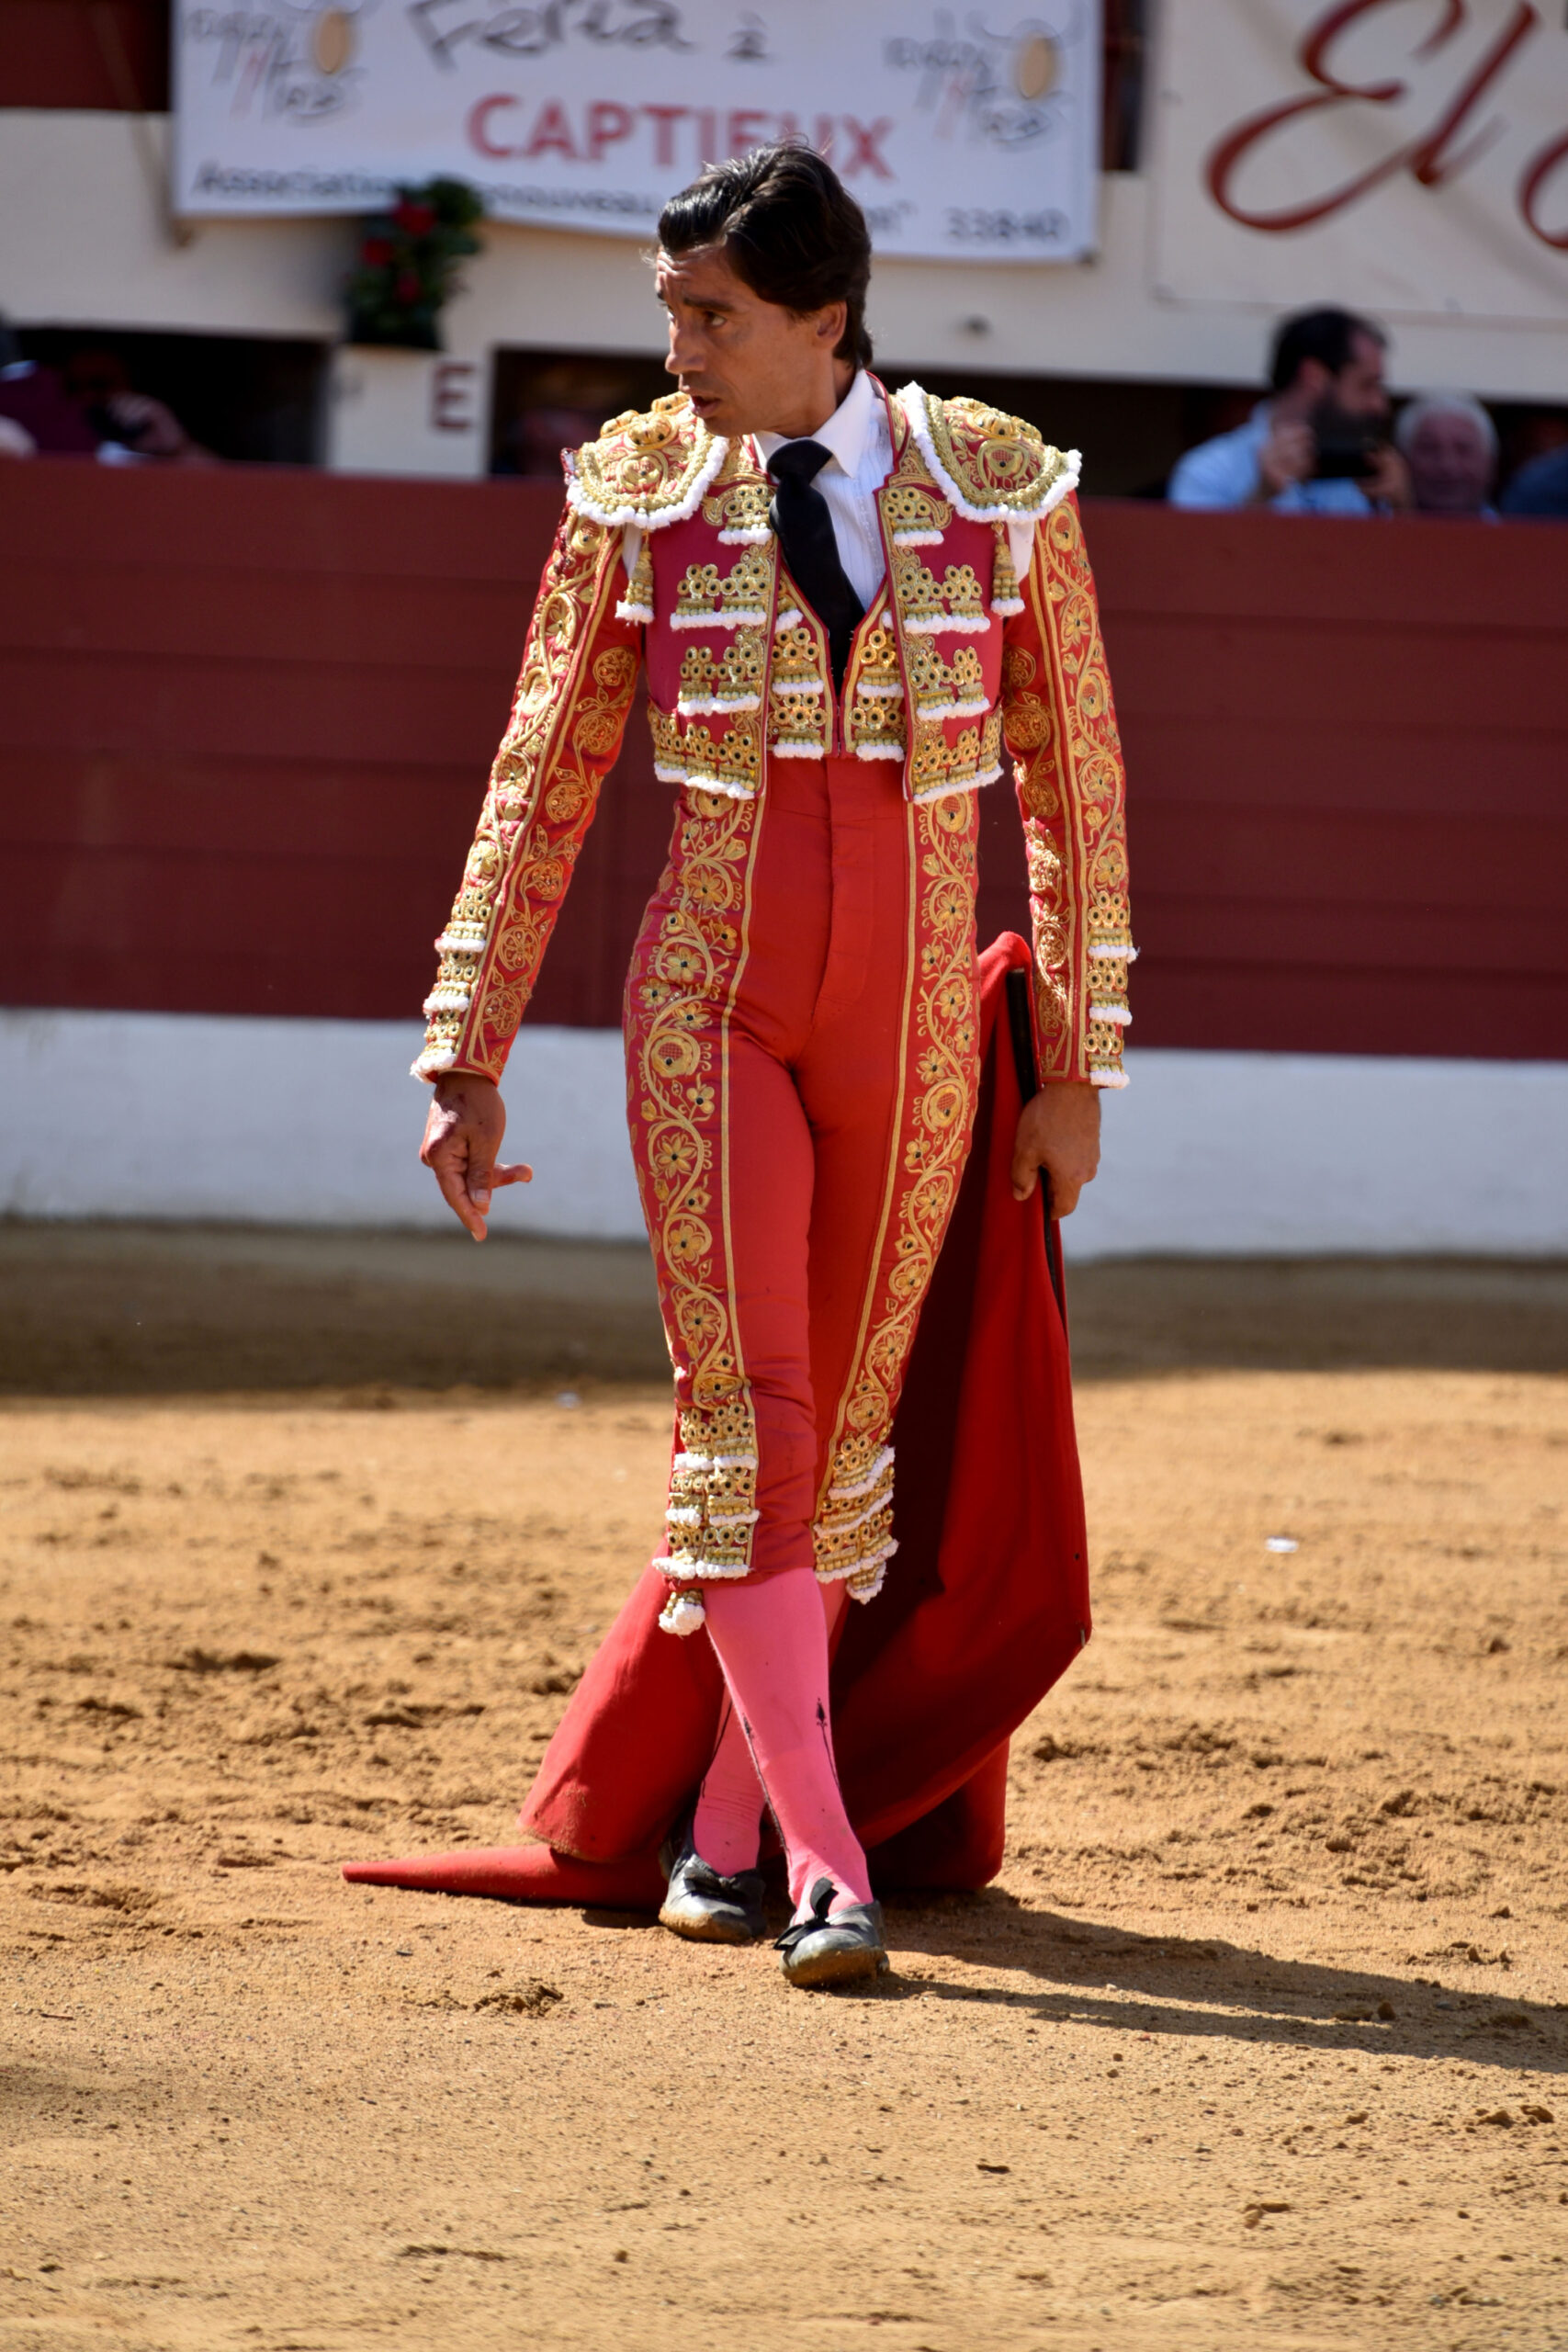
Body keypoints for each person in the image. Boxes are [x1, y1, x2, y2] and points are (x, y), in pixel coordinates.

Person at [344, 145, 1131, 1988]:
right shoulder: (633, 498)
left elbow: (1078, 786)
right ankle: (826, 1856)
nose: (674, 344)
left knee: (838, 1439)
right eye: (669, 310)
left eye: (709, 313)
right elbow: (541, 774)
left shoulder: (996, 489)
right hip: (712, 999)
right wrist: (463, 1044)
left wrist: (1076, 1058)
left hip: (925, 1020)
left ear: (821, 320)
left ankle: (715, 1826)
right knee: (743, 1413)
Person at [1169, 306, 1411, 515]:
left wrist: (1402, 508)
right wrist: (1261, 499)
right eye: (1366, 385)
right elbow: (1198, 564)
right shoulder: (1209, 471)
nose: (1380, 405)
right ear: (1314, 377)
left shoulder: (1368, 474)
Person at [1394, 393, 1497, 518]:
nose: (1447, 466)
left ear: (1489, 461)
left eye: (1463, 450)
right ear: (1403, 459)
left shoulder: (1513, 536)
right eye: (1430, 448)